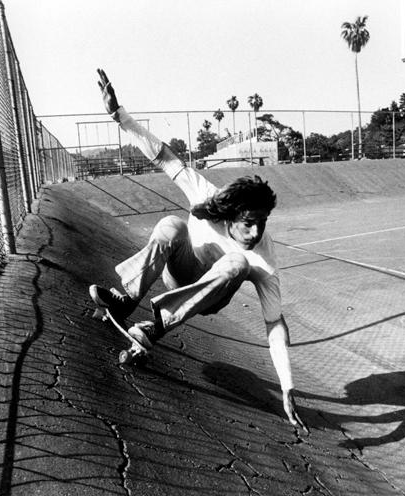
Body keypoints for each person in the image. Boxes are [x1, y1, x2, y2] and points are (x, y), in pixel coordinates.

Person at [90, 68, 307, 432]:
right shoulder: (208, 197)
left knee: (237, 262)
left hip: (210, 293)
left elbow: (274, 324)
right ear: (232, 214)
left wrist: (287, 386)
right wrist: (119, 116)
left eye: (262, 224)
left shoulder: (263, 257)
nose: (255, 232)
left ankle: (153, 328)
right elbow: (163, 156)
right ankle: (127, 299)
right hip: (178, 269)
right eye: (248, 223)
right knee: (170, 225)